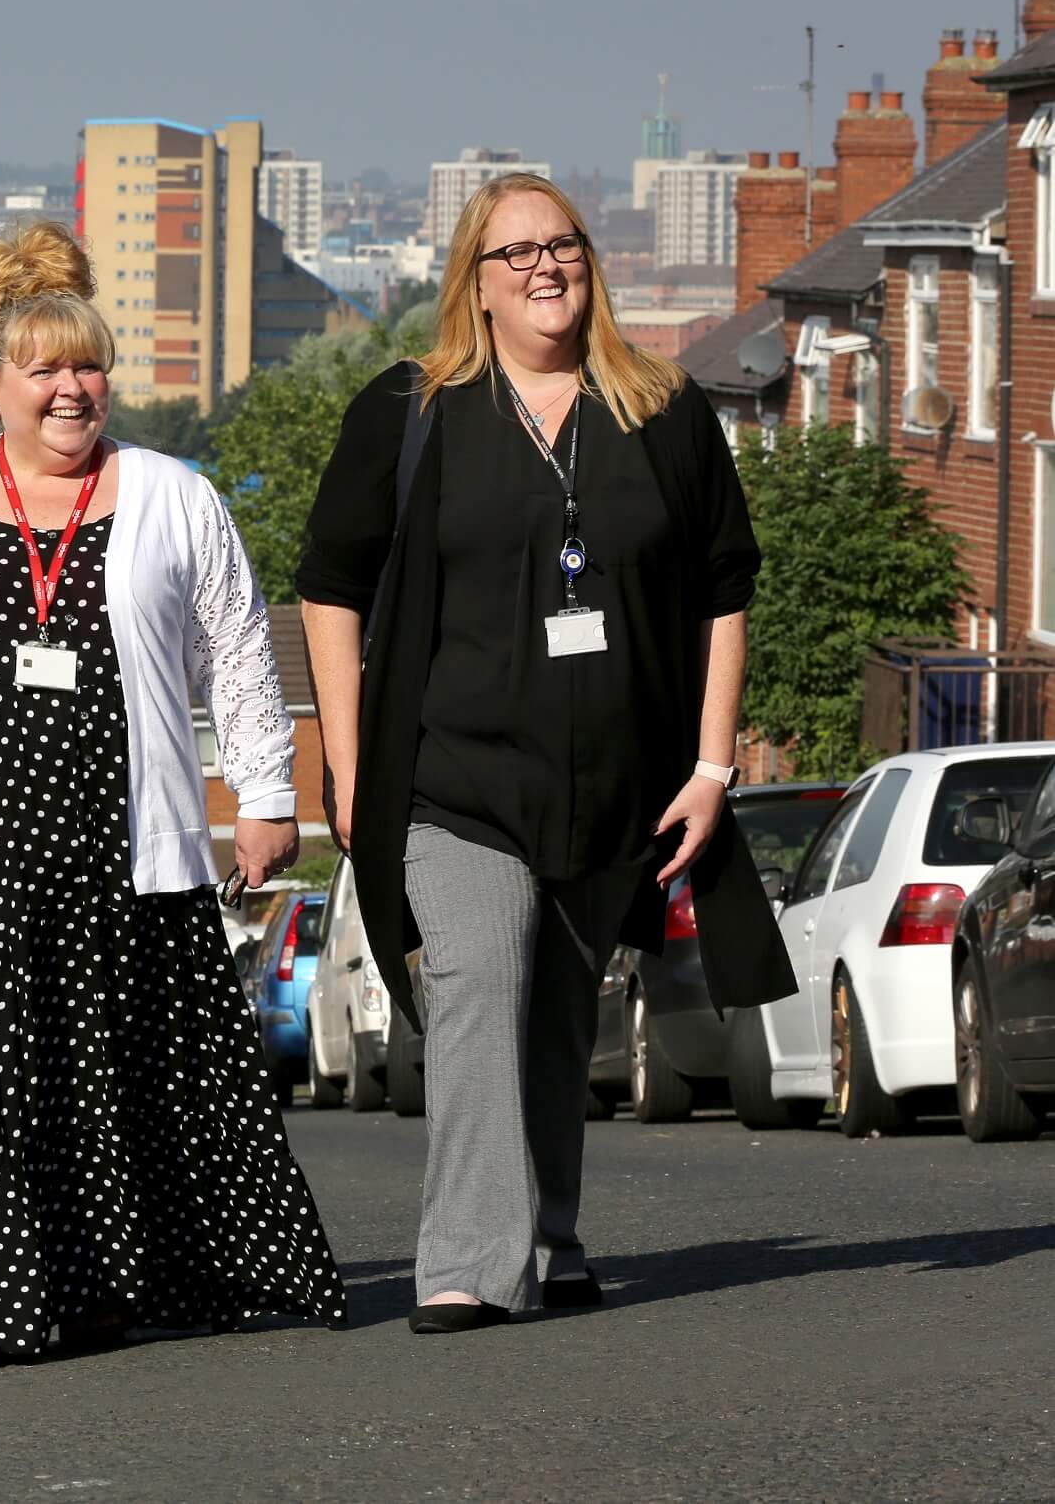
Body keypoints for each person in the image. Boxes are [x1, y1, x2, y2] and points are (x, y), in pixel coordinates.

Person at [0, 222, 347, 1370]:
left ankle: (92, 1285)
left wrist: (264, 791)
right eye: (44, 369)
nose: (70, 389)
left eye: (88, 366)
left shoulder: (172, 496)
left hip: (113, 845)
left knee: (99, 1073)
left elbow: (238, 648)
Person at [295, 174, 793, 1335]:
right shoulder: (412, 410)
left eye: (561, 245)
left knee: (561, 1013)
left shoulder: (663, 410)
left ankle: (549, 1235)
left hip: (615, 781)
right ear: (474, 282)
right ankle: (468, 1261)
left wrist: (712, 766)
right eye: (515, 253)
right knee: (480, 981)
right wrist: (353, 766)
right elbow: (329, 587)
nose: (544, 268)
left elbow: (724, 589)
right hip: (454, 777)